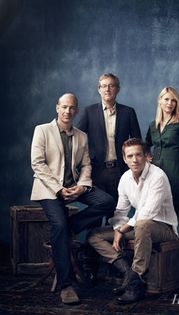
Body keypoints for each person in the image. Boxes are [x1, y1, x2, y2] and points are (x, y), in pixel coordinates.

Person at [30, 93, 115, 305]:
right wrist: (59, 189)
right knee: (58, 225)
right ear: (57, 108)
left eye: (72, 108)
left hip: (75, 185)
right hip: (49, 189)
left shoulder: (81, 136)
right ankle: (66, 286)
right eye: (64, 107)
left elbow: (86, 165)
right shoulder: (42, 130)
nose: (68, 111)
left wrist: (83, 186)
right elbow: (37, 164)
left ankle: (69, 227)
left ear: (76, 111)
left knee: (107, 202)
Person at [88, 138, 178, 304]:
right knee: (94, 235)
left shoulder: (158, 176)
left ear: (147, 156)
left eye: (138, 155)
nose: (134, 160)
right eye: (130, 156)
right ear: (124, 158)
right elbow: (121, 211)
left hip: (163, 228)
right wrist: (116, 228)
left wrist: (122, 230)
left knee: (143, 224)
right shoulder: (125, 178)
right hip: (139, 226)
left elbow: (147, 213)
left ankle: (135, 285)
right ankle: (128, 273)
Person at [78, 73, 141, 204]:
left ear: (118, 89)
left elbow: (137, 142)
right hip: (95, 170)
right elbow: (78, 139)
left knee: (114, 214)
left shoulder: (128, 112)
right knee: (96, 212)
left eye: (111, 86)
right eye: (104, 86)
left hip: (119, 170)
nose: (107, 89)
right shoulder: (89, 112)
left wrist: (134, 169)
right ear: (99, 89)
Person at [145, 87, 179, 215]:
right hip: (153, 171)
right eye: (166, 99)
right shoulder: (153, 125)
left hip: (172, 170)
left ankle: (171, 235)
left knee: (171, 208)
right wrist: (148, 156)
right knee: (152, 207)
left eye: (173, 100)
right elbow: (146, 145)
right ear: (160, 101)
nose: (170, 103)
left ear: (177, 103)